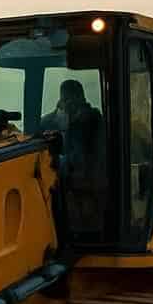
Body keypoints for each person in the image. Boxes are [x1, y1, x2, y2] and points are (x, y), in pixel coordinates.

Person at [41, 79, 105, 234]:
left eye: (75, 100)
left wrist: (72, 124)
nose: (71, 105)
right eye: (66, 100)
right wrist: (59, 120)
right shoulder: (49, 122)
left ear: (83, 100)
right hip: (56, 192)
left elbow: (85, 159)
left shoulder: (93, 121)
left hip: (89, 192)